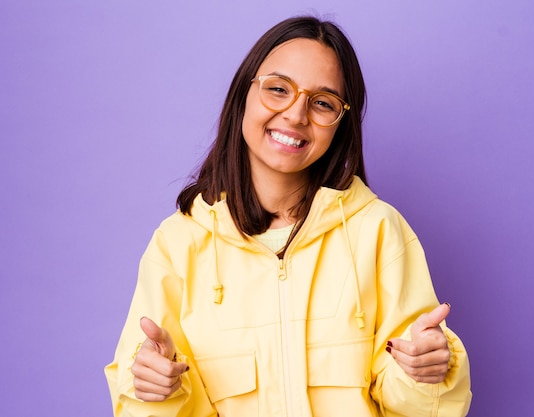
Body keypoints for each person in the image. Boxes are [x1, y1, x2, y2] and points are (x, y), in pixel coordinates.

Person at [105, 15, 471, 417]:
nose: (297, 115)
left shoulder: (378, 231)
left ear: (340, 124)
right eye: (278, 89)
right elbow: (143, 402)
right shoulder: (178, 244)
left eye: (323, 103)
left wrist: (425, 372)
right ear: (243, 93)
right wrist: (156, 388)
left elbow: (422, 409)